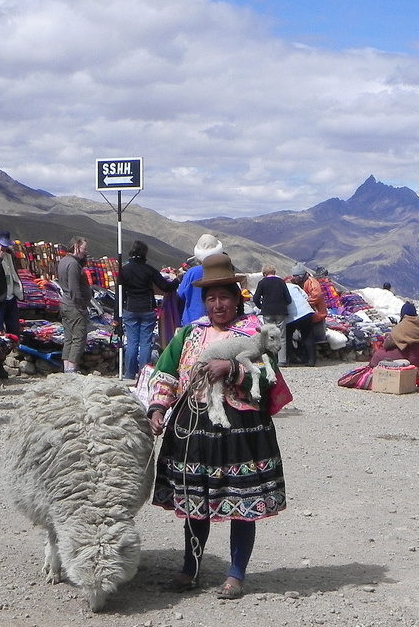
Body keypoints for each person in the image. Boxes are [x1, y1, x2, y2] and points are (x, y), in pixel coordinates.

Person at [147, 253, 291, 600]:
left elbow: (270, 381)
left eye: (223, 297)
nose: (217, 304)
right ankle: (189, 569)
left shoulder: (255, 335)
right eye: (210, 298)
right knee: (196, 502)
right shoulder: (189, 334)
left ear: (235, 298)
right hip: (194, 428)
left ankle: (236, 575)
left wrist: (234, 370)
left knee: (242, 502)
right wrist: (157, 407)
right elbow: (165, 372)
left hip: (241, 430)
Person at [119, 239, 178, 381]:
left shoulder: (124, 270)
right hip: (147, 309)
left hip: (130, 308)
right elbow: (166, 287)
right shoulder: (149, 270)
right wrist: (176, 279)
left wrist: (117, 314)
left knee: (132, 342)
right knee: (145, 343)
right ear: (144, 253)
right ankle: (143, 375)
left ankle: (129, 375)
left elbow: (120, 293)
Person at [369, 303, 419, 382]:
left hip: (407, 358)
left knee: (378, 354)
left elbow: (387, 345)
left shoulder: (403, 325)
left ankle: (372, 375)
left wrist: (388, 337)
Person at [57, 237, 90, 374]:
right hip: (74, 306)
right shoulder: (73, 265)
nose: (85, 252)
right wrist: (82, 308)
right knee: (78, 338)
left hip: (66, 304)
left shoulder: (63, 261)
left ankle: (67, 368)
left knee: (69, 338)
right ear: (76, 247)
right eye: (84, 249)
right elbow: (74, 289)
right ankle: (71, 368)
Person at [0, 231, 24, 336]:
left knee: (14, 330)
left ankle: (14, 349)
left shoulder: (9, 255)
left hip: (10, 298)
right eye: (2, 245)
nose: (4, 248)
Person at [177, 234, 224, 325]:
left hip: (192, 322)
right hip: (217, 321)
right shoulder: (223, 271)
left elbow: (180, 295)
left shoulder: (191, 273)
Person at [252, 264, 292, 364]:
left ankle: (271, 360)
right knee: (281, 336)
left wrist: (261, 306)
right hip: (280, 311)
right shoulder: (281, 282)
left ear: (264, 274)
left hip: (267, 312)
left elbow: (256, 298)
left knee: (268, 336)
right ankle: (282, 360)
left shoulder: (262, 283)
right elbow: (288, 299)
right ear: (274, 273)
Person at [289, 264, 326, 366]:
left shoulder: (312, 283)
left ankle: (310, 360)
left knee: (308, 336)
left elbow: (317, 295)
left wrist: (304, 302)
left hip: (315, 312)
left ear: (301, 276)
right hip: (308, 312)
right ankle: (306, 358)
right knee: (305, 336)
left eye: (296, 276)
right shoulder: (302, 282)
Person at [284, 276, 316, 366]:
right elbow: (306, 297)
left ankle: (288, 359)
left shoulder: (281, 288)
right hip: (306, 312)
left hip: (292, 316)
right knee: (308, 337)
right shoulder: (295, 287)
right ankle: (311, 361)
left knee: (287, 337)